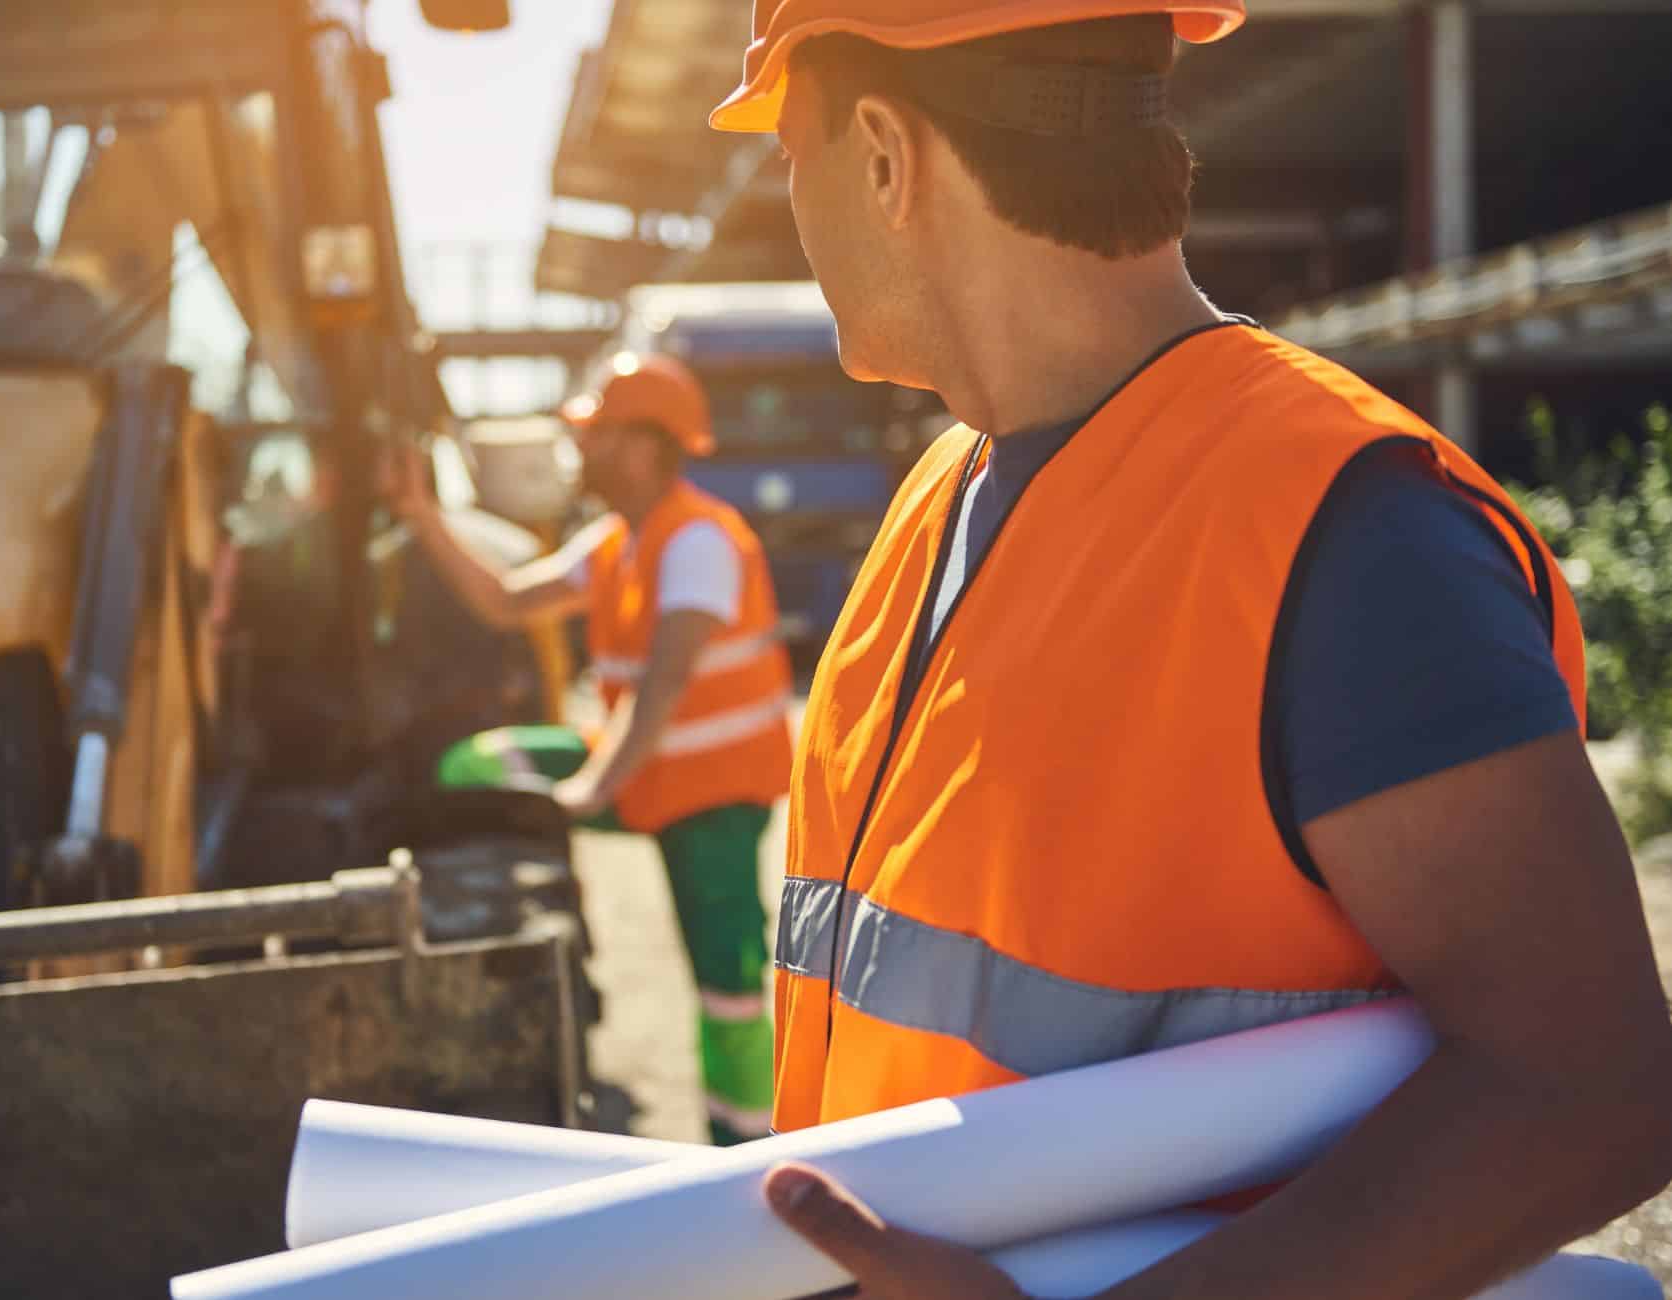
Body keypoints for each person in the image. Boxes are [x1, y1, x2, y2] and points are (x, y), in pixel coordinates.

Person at [697, 2, 1672, 1295]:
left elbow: (1590, 1084)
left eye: (789, 155)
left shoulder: (1351, 535)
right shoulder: (937, 496)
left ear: (882, 155)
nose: (790, 207)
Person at [378, 353, 794, 1146]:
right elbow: (507, 601)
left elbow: (664, 683)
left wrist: (593, 787)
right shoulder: (616, 541)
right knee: (479, 767)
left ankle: (747, 1148)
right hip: (644, 774)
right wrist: (423, 515)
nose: (580, 447)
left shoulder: (698, 541)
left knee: (728, 987)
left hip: (713, 800)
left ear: (643, 447)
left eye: (596, 433)